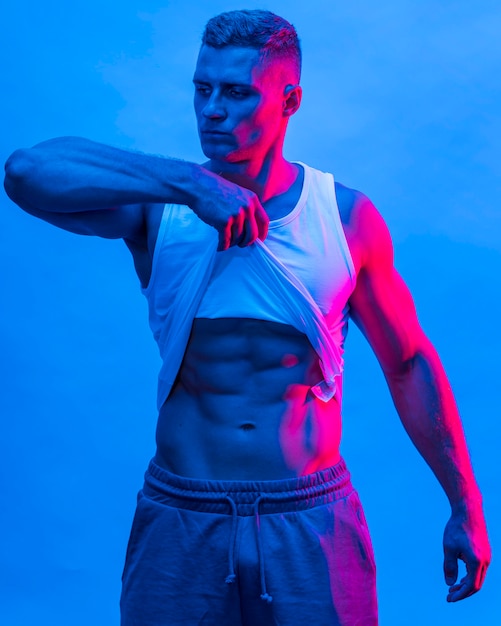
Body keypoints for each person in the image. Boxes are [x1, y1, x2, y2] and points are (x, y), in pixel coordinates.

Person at [3, 9, 490, 626]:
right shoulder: (159, 210)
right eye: (202, 89)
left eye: (235, 92)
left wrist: (465, 505)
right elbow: (24, 173)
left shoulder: (342, 220)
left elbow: (409, 363)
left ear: (289, 101)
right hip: (184, 515)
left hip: (309, 518)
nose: (211, 110)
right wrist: (187, 183)